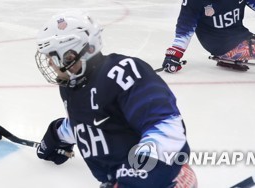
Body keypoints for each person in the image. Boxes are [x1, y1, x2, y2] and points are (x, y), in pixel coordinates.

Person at [34, 10, 197, 187]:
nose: (50, 63)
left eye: (52, 55)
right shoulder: (71, 86)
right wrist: (56, 137)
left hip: (164, 180)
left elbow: (166, 126)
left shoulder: (123, 72)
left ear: (72, 55)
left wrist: (134, 180)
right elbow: (90, 122)